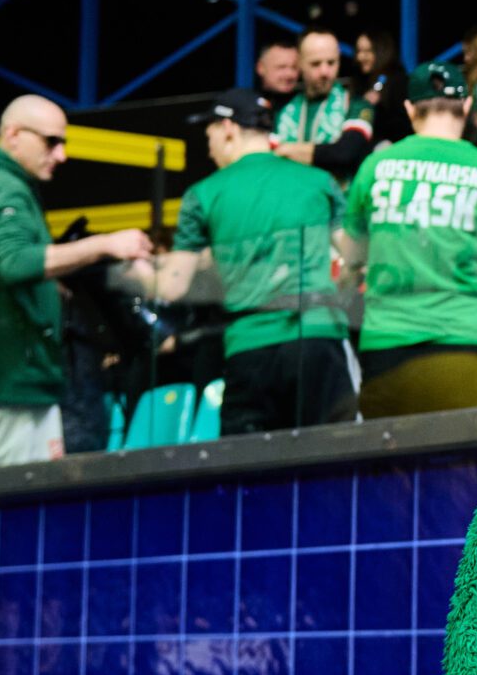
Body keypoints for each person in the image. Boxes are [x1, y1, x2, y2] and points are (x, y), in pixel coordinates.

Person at [0, 96, 151, 466]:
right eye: (51, 141)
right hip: (8, 378)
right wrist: (104, 244)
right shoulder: (1, 186)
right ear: (13, 135)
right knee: (12, 493)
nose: (61, 155)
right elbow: (15, 262)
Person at [152, 89, 357, 434]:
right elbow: (353, 258)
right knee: (335, 456)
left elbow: (173, 286)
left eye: (209, 135)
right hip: (318, 337)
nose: (209, 148)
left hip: (250, 349)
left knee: (251, 464)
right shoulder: (318, 181)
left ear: (228, 128)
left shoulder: (203, 194)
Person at [343, 62, 477, 417]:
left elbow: (353, 256)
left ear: (410, 109)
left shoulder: (375, 167)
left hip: (389, 347)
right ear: (466, 106)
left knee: (393, 453)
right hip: (473, 343)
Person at [274, 27, 378, 181]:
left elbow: (345, 153)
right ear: (299, 63)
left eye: (331, 63)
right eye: (315, 64)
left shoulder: (356, 105)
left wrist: (286, 150)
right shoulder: (283, 111)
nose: (325, 71)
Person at [352, 29, 414, 145]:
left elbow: (404, 125)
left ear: (381, 51)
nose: (360, 57)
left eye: (367, 51)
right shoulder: (360, 80)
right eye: (358, 51)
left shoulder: (398, 80)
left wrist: (378, 107)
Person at [255, 38, 301, 116]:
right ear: (261, 67)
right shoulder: (241, 101)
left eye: (294, 67)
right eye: (281, 67)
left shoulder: (306, 106)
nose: (289, 74)